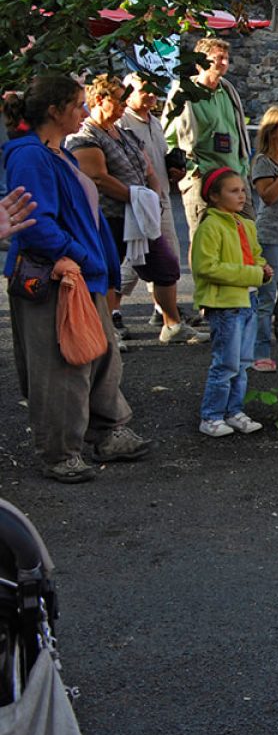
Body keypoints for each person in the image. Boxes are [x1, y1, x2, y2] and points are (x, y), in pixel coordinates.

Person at [5, 76, 151, 483]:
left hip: (82, 276)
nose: (84, 112)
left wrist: (96, 266)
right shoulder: (31, 156)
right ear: (55, 111)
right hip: (56, 278)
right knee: (61, 366)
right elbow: (33, 223)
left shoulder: (58, 154)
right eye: (78, 105)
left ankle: (108, 432)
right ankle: (60, 451)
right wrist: (85, 258)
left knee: (101, 354)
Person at [67, 76, 191, 347]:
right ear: (100, 100)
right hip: (108, 217)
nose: (124, 104)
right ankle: (105, 331)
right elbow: (97, 177)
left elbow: (147, 167)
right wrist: (137, 197)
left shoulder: (123, 132)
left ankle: (172, 325)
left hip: (138, 217)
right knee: (109, 273)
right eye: (120, 99)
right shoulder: (85, 135)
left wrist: (154, 193)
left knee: (166, 267)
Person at [189, 169, 269, 438]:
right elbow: (206, 268)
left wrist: (261, 269)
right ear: (213, 196)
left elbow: (256, 255)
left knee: (243, 362)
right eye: (233, 191)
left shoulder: (245, 224)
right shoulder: (210, 226)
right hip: (225, 305)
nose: (242, 195)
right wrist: (256, 273)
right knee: (226, 364)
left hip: (248, 301)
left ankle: (234, 411)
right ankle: (210, 415)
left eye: (243, 190)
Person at [118, 76, 196, 334]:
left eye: (153, 90)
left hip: (159, 199)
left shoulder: (155, 122)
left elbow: (157, 161)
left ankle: (164, 312)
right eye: (144, 90)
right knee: (134, 260)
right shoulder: (122, 123)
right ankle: (112, 313)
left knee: (165, 258)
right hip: (138, 202)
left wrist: (174, 173)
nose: (151, 95)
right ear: (128, 96)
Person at [166, 36, 251, 233]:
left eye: (226, 58)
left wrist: (243, 167)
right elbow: (169, 138)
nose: (224, 63)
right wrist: (192, 169)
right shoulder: (183, 93)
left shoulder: (229, 91)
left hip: (234, 175)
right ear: (200, 62)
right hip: (203, 177)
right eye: (218, 58)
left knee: (245, 236)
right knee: (204, 238)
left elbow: (238, 134)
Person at [247, 107, 278, 369]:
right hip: (271, 234)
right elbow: (268, 197)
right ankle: (259, 350)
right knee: (266, 296)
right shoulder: (263, 161)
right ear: (273, 131)